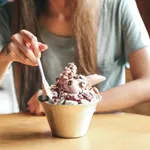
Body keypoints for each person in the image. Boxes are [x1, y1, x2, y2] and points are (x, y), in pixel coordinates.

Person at [0, 0, 150, 115]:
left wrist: (64, 104)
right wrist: (4, 58)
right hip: (36, 138)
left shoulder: (118, 5)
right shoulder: (9, 15)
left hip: (108, 137)